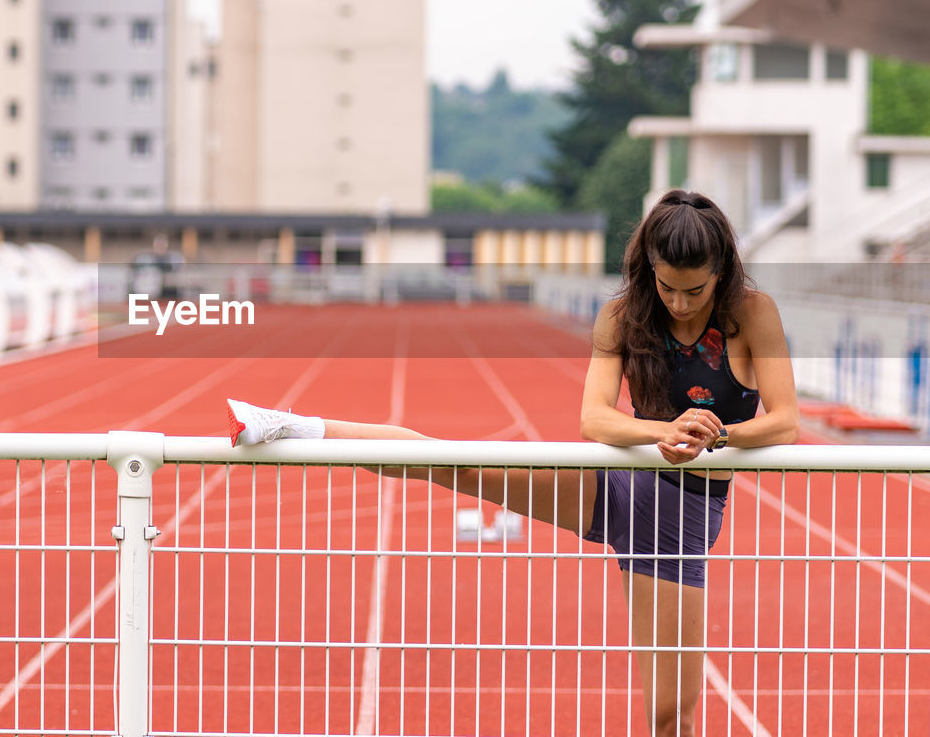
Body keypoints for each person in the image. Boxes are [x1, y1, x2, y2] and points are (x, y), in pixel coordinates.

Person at [223, 189, 799, 736]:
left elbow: (785, 421)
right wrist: (665, 431)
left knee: (673, 717)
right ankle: (298, 426)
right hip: (622, 485)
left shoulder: (753, 314)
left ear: (720, 271)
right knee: (457, 465)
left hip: (684, 520)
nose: (677, 303)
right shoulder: (625, 316)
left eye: (693, 292)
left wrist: (718, 436)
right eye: (666, 286)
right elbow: (594, 420)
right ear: (648, 267)